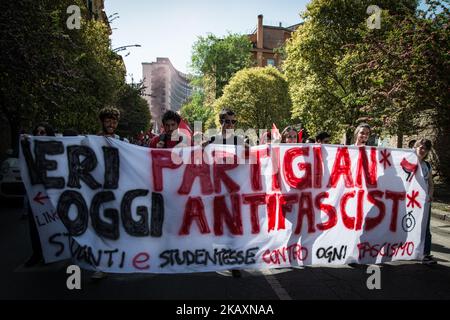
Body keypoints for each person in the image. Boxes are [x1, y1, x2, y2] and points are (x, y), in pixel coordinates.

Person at [23, 123, 55, 267]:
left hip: (53, 193)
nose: (40, 135)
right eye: (37, 132)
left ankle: (56, 252)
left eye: (43, 132)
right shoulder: (30, 147)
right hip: (36, 193)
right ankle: (37, 253)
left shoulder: (56, 149)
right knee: (35, 224)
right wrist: (24, 142)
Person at [414, 139, 437, 265]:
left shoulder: (427, 165)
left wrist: (430, 195)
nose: (422, 150)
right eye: (420, 147)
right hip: (409, 202)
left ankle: (425, 254)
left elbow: (431, 184)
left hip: (423, 202)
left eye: (425, 149)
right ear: (415, 147)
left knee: (425, 228)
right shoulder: (407, 162)